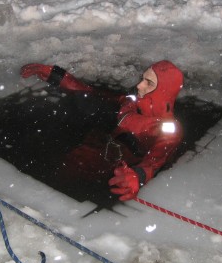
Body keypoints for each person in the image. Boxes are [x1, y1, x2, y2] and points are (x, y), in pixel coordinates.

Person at [20, 60, 184, 201]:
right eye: (143, 79)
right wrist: (56, 75)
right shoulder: (131, 103)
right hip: (97, 154)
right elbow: (91, 94)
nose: (140, 85)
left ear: (164, 91)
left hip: (114, 173)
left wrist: (138, 176)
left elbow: (156, 160)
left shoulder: (168, 130)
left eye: (149, 83)